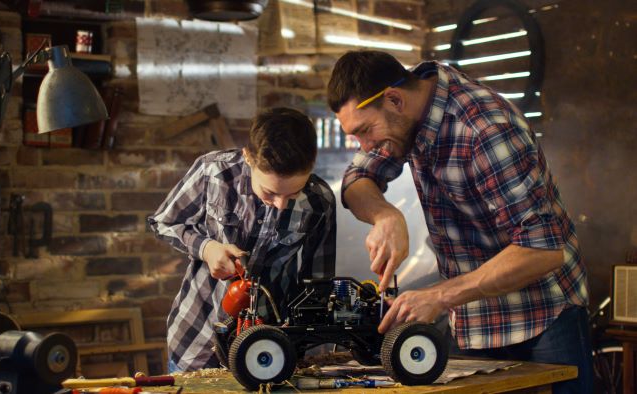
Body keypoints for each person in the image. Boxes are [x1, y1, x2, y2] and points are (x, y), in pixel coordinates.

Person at [327, 50, 590, 393]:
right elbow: (357, 179)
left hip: (542, 314)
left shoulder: (485, 130)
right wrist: (386, 215)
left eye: (364, 131)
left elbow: (543, 250)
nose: (366, 145)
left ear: (394, 99)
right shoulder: (401, 116)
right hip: (472, 316)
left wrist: (439, 295)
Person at [148, 107, 337, 372]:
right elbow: (163, 222)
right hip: (197, 336)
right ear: (248, 157)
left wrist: (303, 343)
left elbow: (316, 284)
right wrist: (207, 248)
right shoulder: (213, 171)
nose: (281, 205)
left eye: (293, 194)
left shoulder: (320, 201)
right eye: (269, 193)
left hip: (269, 348)